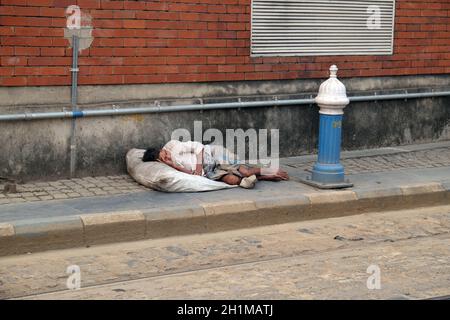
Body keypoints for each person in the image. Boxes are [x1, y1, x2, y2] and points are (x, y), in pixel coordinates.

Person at [142, 140, 289, 188]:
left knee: (245, 172)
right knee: (233, 180)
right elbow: (189, 174)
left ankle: (268, 171)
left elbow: (198, 147)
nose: (167, 156)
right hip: (208, 171)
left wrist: (198, 168)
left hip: (210, 156)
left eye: (165, 154)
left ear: (162, 149)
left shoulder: (173, 146)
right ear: (158, 161)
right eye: (163, 158)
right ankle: (264, 177)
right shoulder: (167, 167)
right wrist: (172, 165)